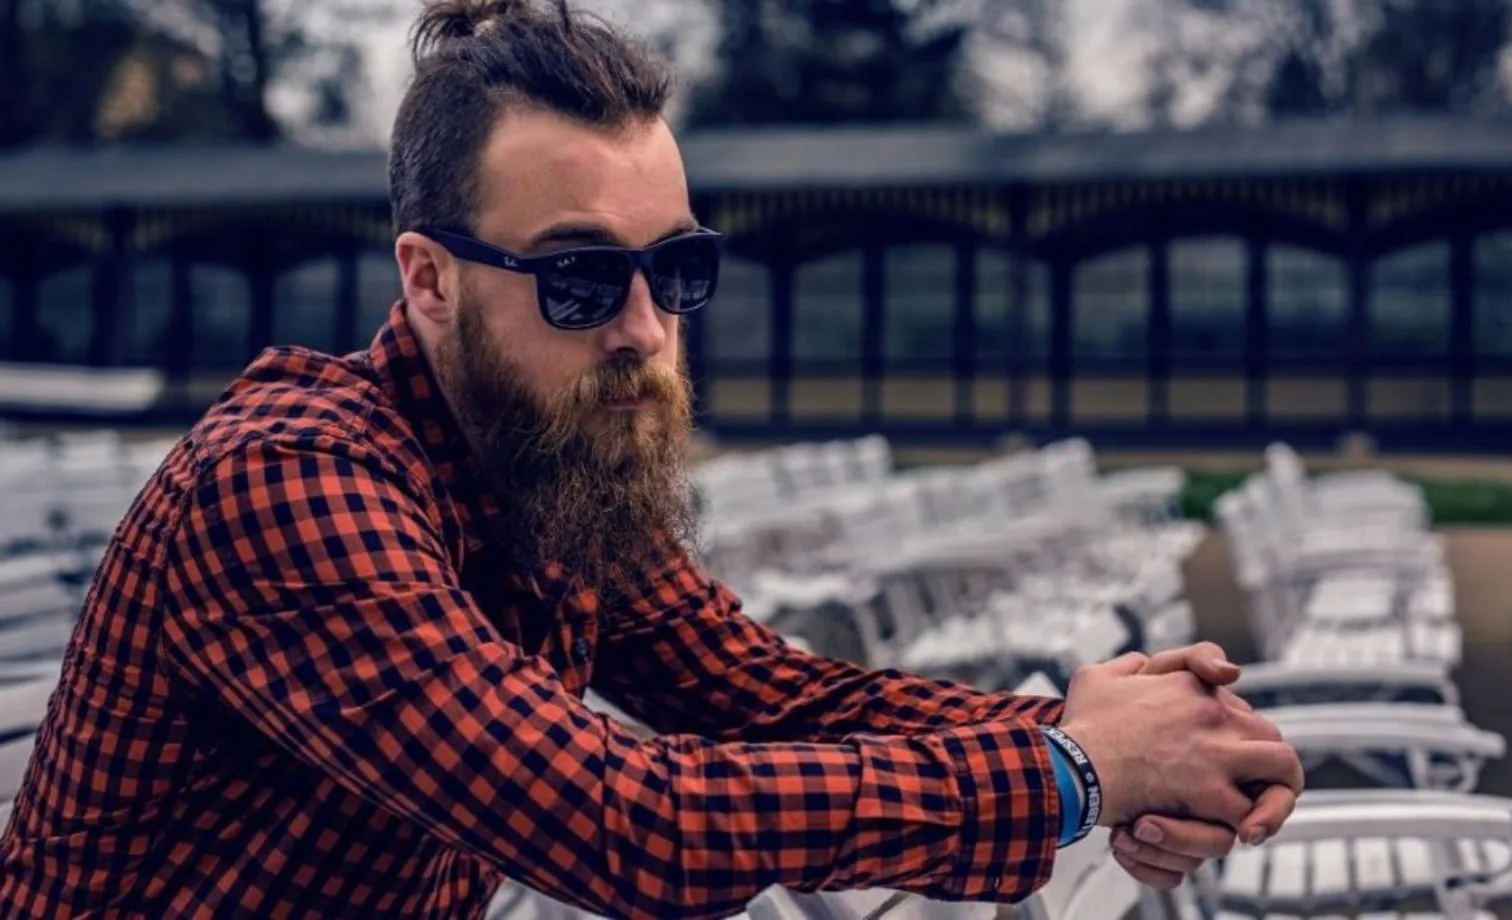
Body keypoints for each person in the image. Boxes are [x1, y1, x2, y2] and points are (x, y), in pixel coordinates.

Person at [0, 1, 1303, 917]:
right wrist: (1075, 775)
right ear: (429, 280)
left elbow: (766, 699)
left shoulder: (548, 463)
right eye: (578, 278)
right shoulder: (285, 488)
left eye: (676, 270)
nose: (644, 329)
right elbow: (629, 823)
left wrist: (1131, 740)